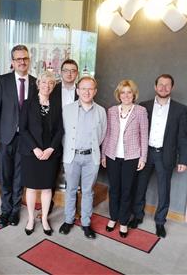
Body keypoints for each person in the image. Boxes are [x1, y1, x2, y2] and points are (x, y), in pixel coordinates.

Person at [129, 74, 187, 238]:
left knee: (164, 190)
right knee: (140, 186)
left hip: (166, 155)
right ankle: (138, 216)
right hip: (145, 153)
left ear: (172, 88)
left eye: (167, 85)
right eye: (160, 85)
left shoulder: (180, 109)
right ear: (155, 87)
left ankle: (160, 222)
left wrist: (183, 159)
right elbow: (136, 131)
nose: (163, 87)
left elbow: (183, 136)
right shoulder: (144, 106)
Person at [0, 44, 37, 228]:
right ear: (12, 62)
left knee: (19, 177)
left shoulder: (35, 83)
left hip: (25, 140)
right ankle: (6, 209)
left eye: (25, 58)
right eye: (18, 59)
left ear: (29, 60)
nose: (22, 62)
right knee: (5, 176)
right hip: (4, 138)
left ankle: (15, 210)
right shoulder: (3, 81)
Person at [59, 76, 107, 239]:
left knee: (88, 191)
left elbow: (102, 134)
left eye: (90, 88)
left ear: (95, 91)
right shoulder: (67, 109)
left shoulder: (101, 111)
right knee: (71, 190)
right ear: (78, 90)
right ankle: (68, 220)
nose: (87, 92)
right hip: (72, 156)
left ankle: (86, 223)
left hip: (91, 158)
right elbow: (62, 133)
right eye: (83, 88)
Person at [101, 80, 148, 238]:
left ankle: (123, 222)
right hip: (112, 155)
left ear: (134, 94)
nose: (126, 95)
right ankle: (113, 218)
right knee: (114, 189)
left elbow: (144, 136)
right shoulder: (112, 111)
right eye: (123, 92)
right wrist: (103, 155)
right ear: (118, 95)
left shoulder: (140, 111)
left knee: (127, 191)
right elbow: (107, 134)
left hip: (132, 157)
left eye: (129, 92)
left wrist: (143, 157)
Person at [19, 71, 64, 236]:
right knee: (31, 188)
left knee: (47, 188)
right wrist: (35, 149)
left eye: (51, 83)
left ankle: (44, 218)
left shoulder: (56, 104)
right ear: (38, 84)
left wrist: (51, 148)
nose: (47, 86)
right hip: (32, 153)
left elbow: (60, 130)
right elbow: (22, 129)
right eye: (44, 82)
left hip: (50, 152)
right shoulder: (27, 103)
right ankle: (31, 218)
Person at [49, 59, 79, 213]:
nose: (69, 73)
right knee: (51, 173)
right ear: (60, 72)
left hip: (74, 139)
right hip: (54, 137)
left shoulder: (82, 91)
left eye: (73, 70)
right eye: (66, 70)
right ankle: (48, 205)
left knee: (73, 175)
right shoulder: (52, 89)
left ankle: (72, 209)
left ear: (77, 73)